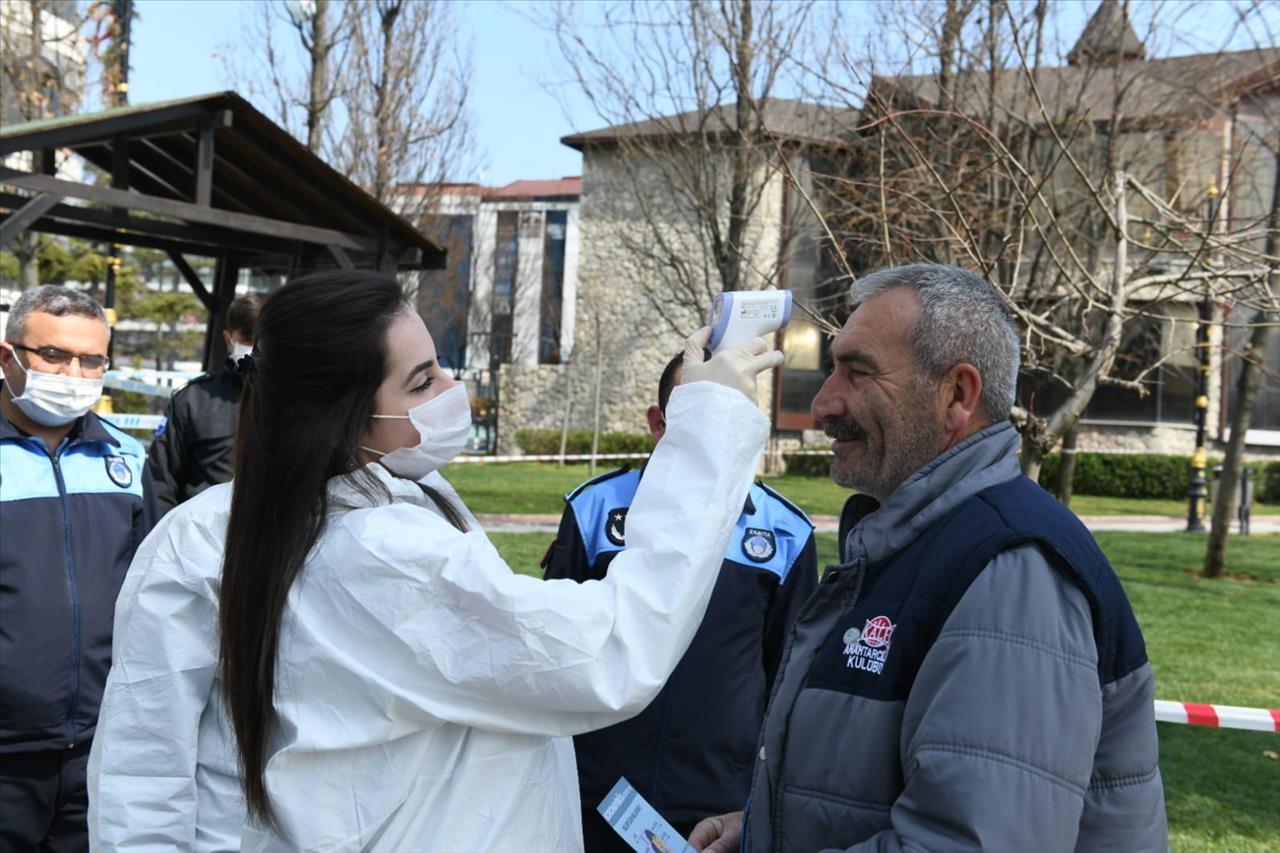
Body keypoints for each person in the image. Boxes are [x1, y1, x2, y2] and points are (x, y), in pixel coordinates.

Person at [87, 270, 782, 852]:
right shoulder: (377, 550)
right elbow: (612, 648)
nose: (452, 389)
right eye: (422, 381)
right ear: (345, 416)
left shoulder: (342, 508)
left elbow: (140, 768)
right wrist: (707, 425)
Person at [690, 264, 1167, 852]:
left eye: (858, 372)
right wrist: (763, 831)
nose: (823, 402)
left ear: (957, 396)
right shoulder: (909, 544)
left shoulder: (1008, 571)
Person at [543, 352, 818, 851]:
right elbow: (555, 655)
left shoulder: (785, 533)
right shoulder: (594, 508)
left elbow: (787, 677)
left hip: (717, 807)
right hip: (595, 794)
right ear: (657, 422)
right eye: (699, 413)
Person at [0, 285, 156, 852]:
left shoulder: (127, 458)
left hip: (99, 745)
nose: (74, 372)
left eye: (92, 360)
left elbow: (150, 591)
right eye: (55, 355)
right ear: (8, 356)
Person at [148, 293, 262, 514]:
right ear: (228, 340)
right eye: (247, 341)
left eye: (262, 342)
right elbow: (161, 482)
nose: (255, 350)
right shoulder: (194, 399)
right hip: (201, 537)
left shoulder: (299, 402)